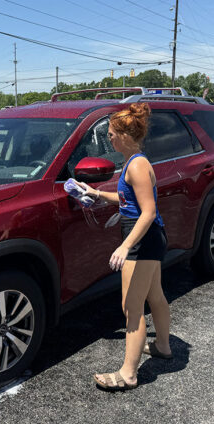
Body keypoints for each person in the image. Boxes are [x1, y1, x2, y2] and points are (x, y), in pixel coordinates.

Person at [78, 103, 172, 391]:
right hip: (148, 238)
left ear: (125, 135)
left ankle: (128, 374)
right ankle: (163, 347)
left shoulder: (138, 165)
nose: (109, 138)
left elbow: (148, 211)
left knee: (132, 308)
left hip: (142, 239)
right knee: (154, 294)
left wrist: (124, 246)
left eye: (111, 133)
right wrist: (96, 193)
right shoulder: (133, 162)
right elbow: (129, 201)